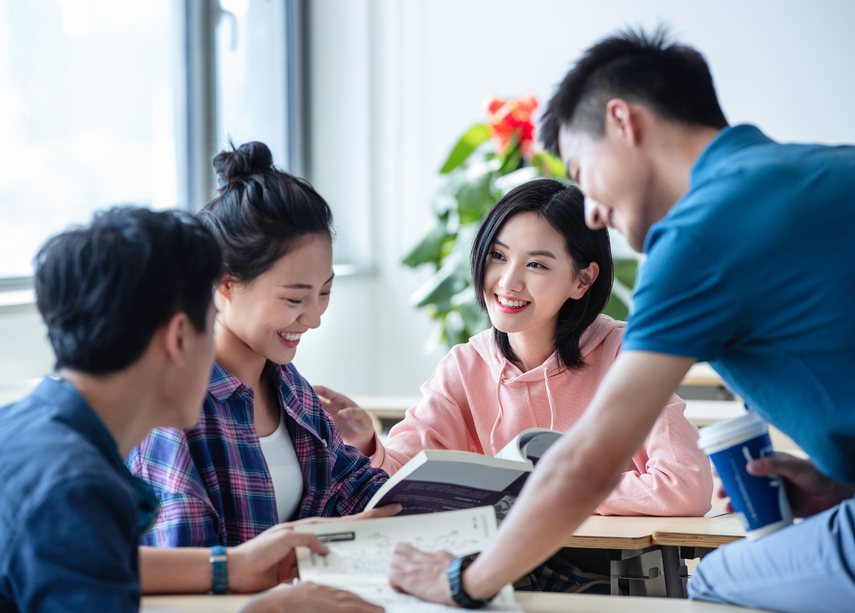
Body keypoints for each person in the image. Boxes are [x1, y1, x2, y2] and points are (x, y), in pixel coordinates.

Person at [386, 28, 855, 613]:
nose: (591, 210)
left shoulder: (694, 237)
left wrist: (464, 581)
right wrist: (840, 486)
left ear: (623, 122)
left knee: (711, 583)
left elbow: (590, 463)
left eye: (582, 173)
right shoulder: (822, 169)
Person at [0, 207, 382, 612]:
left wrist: (233, 566)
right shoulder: (74, 487)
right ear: (179, 338)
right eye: (211, 327)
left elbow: (102, 561)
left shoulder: (10, 429)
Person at [319, 179, 711, 520]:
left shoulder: (625, 355)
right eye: (498, 256)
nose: (509, 282)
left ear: (582, 280)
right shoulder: (465, 367)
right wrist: (368, 443)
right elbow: (406, 479)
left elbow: (686, 485)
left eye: (536, 265)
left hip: (609, 571)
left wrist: (545, 492)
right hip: (501, 568)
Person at [128, 142, 393, 575]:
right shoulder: (173, 412)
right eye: (294, 298)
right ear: (224, 282)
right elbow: (190, 570)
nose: (313, 318)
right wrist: (336, 537)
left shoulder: (290, 387)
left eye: (324, 293)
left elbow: (354, 489)